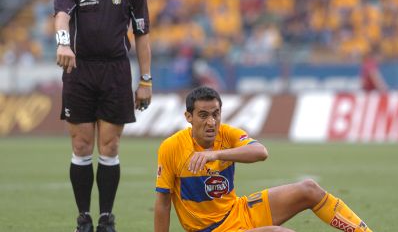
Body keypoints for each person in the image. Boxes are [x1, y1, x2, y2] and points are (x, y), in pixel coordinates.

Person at [154, 86, 372, 232]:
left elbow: (260, 152)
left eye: (216, 114)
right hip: (212, 230)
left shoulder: (227, 135)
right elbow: (163, 203)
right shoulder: (172, 147)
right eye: (203, 115)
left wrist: (216, 154)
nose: (211, 122)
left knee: (309, 189)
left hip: (238, 211)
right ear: (188, 117)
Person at [53, 0, 152, 231]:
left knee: (110, 147)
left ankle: (106, 218)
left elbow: (142, 35)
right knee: (81, 146)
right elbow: (61, 15)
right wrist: (63, 41)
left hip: (116, 72)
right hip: (79, 70)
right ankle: (83, 218)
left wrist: (145, 79)